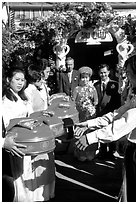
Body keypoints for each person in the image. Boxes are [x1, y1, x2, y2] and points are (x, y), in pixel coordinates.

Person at [74, 55, 136, 202]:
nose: (126, 76)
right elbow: (118, 113)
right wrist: (90, 124)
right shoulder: (135, 92)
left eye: (128, 72)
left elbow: (124, 123)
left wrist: (91, 137)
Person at [24, 64, 55, 201]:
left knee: (46, 160)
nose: (43, 80)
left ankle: (47, 191)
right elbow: (29, 113)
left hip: (43, 125)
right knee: (38, 161)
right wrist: (42, 114)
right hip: (37, 127)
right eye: (40, 78)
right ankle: (38, 193)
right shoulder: (29, 91)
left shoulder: (38, 88)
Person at [94, 64, 121, 159]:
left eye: (105, 72)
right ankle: (102, 151)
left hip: (111, 113)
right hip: (100, 113)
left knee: (111, 132)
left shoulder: (115, 84)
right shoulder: (95, 85)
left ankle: (112, 152)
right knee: (102, 132)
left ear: (109, 72)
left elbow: (118, 100)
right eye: (101, 73)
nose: (103, 75)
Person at [72, 66, 98, 161]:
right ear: (80, 78)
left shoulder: (93, 89)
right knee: (80, 133)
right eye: (83, 77)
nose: (85, 80)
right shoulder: (76, 89)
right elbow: (73, 102)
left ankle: (91, 152)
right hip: (80, 116)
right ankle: (80, 153)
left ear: (89, 78)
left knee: (90, 132)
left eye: (87, 77)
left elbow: (96, 102)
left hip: (91, 116)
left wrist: (90, 107)